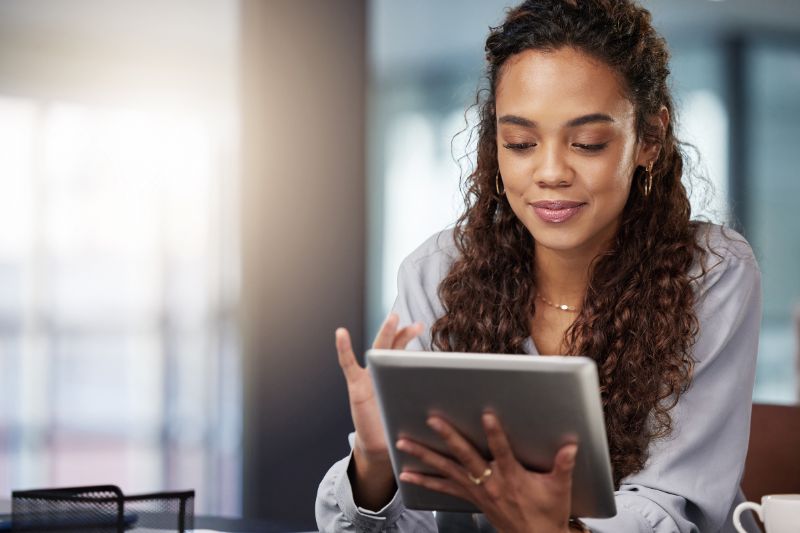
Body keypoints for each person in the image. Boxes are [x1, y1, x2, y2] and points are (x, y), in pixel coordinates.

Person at [316, 0, 762, 531]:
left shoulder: (710, 274)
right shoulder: (437, 274)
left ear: (650, 139)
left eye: (588, 143)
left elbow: (676, 505)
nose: (550, 172)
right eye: (521, 143)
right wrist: (376, 463)